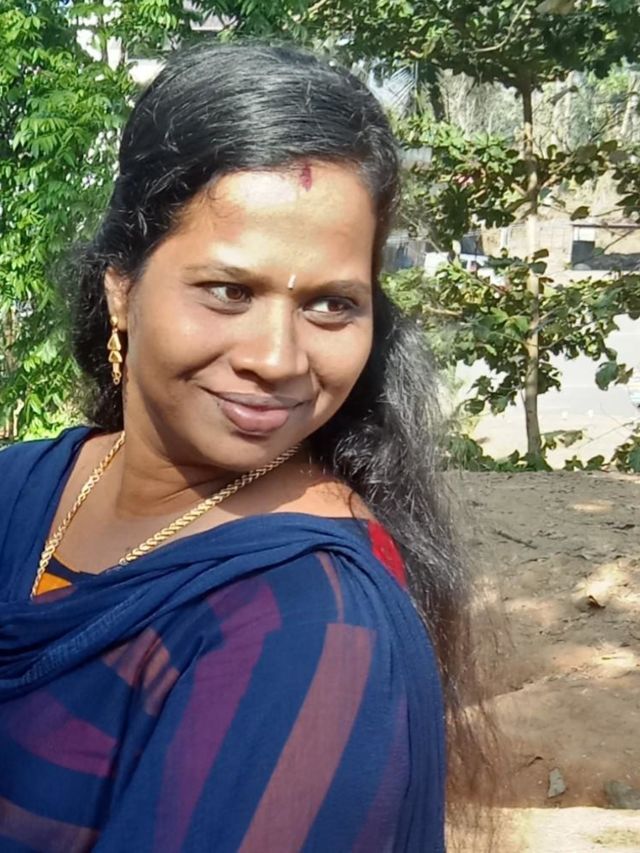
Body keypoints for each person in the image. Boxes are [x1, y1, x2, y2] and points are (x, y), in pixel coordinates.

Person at [0, 43, 490, 852]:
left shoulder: (311, 631)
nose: (277, 358)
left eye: (331, 304)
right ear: (122, 285)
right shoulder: (22, 489)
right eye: (229, 290)